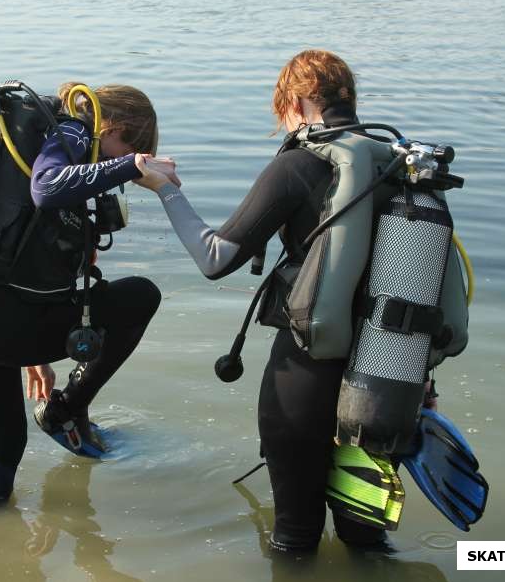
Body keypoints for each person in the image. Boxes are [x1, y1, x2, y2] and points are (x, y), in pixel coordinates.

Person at [132, 50, 440, 551]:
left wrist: (165, 190)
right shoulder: (401, 166)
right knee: (367, 543)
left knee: (294, 540)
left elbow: (215, 259)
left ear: (294, 102)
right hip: (391, 377)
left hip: (308, 371)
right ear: (351, 99)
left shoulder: (298, 165)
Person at [0, 82, 178, 503]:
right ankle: (65, 409)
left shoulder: (38, 140)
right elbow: (47, 188)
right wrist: (133, 166)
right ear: (113, 125)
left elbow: (22, 252)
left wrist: (35, 355)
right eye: (128, 145)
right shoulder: (76, 133)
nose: (120, 157)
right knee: (140, 295)